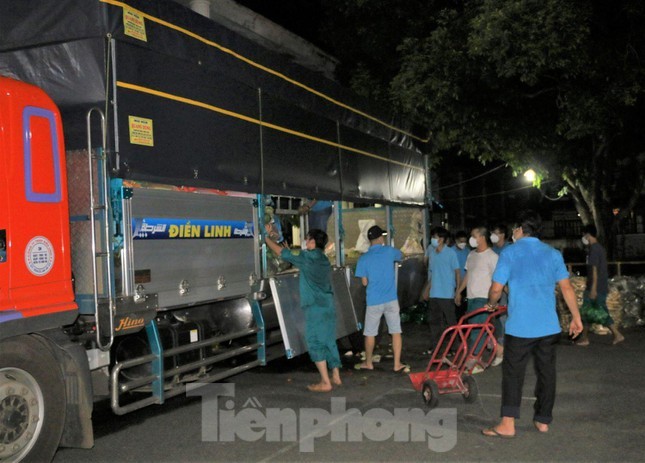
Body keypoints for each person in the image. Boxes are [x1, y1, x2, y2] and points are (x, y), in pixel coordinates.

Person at [482, 210, 583, 438]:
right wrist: (576, 318)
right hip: (548, 326)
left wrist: (491, 303)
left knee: (513, 374)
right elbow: (566, 288)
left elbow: (497, 288)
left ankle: (508, 424)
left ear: (520, 229)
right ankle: (543, 419)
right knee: (547, 372)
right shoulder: (552, 253)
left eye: (514, 229)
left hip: (520, 327)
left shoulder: (510, 253)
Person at [265, 228, 342, 392]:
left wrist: (265, 239)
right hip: (327, 303)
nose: (306, 242)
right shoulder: (323, 258)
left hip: (315, 306)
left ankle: (325, 382)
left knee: (314, 342)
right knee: (329, 339)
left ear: (314, 242)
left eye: (308, 240)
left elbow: (281, 253)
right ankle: (336, 374)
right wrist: (290, 252)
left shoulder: (308, 257)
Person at [354, 225, 409, 373]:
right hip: (391, 299)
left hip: (373, 300)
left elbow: (364, 282)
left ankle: (368, 362)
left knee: (370, 333)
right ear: (380, 238)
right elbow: (402, 255)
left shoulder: (363, 258)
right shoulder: (390, 252)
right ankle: (397, 364)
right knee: (395, 331)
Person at [454, 226, 499, 373]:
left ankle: (474, 360)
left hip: (484, 297)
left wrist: (499, 296)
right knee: (475, 328)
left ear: (482, 237)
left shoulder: (492, 256)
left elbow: (498, 279)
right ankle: (487, 353)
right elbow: (468, 275)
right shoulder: (471, 255)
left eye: (474, 235)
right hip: (472, 297)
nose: (471, 239)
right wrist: (459, 291)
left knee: (476, 330)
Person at [575, 224, 624, 346]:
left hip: (595, 287)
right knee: (590, 311)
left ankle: (616, 334)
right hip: (599, 285)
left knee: (596, 311)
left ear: (587, 234)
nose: (583, 238)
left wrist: (593, 289)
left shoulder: (594, 249)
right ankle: (585, 337)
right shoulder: (598, 248)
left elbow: (595, 270)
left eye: (583, 235)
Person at [423, 227, 461, 354]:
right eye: (433, 236)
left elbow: (457, 273)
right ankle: (436, 346)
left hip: (447, 293)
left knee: (451, 322)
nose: (433, 239)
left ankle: (455, 347)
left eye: (436, 237)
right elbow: (432, 274)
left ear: (442, 239)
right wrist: (427, 290)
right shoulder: (433, 253)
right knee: (434, 322)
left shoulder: (451, 253)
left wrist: (457, 292)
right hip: (435, 293)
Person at [453, 230, 470, 319]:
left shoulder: (468, 251)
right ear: (456, 240)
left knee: (465, 308)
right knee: (456, 309)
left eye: (464, 241)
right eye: (461, 241)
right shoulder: (451, 252)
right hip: (454, 284)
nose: (463, 243)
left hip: (465, 284)